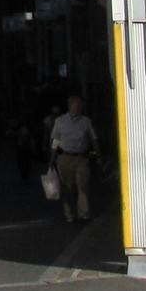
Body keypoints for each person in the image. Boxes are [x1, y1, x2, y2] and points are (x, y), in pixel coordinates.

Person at [50, 94, 99, 224]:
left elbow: (93, 138)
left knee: (83, 185)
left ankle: (84, 213)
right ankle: (70, 214)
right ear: (70, 106)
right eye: (75, 106)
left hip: (81, 158)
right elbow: (55, 140)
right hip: (65, 157)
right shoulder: (60, 121)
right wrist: (52, 159)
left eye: (80, 106)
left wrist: (98, 154)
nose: (78, 108)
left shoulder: (86, 121)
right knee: (68, 187)